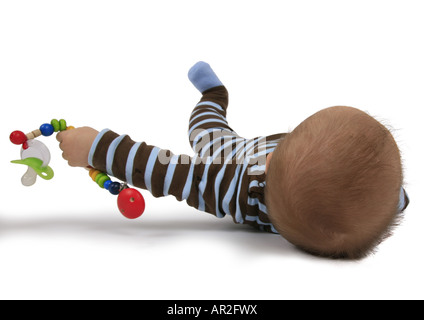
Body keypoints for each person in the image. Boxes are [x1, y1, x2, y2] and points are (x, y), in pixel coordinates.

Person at [57, 61, 409, 259]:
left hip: (235, 155)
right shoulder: (380, 206)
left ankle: (214, 96)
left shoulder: (241, 189)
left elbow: (172, 170)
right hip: (303, 164)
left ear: (268, 166)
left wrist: (97, 148)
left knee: (206, 131)